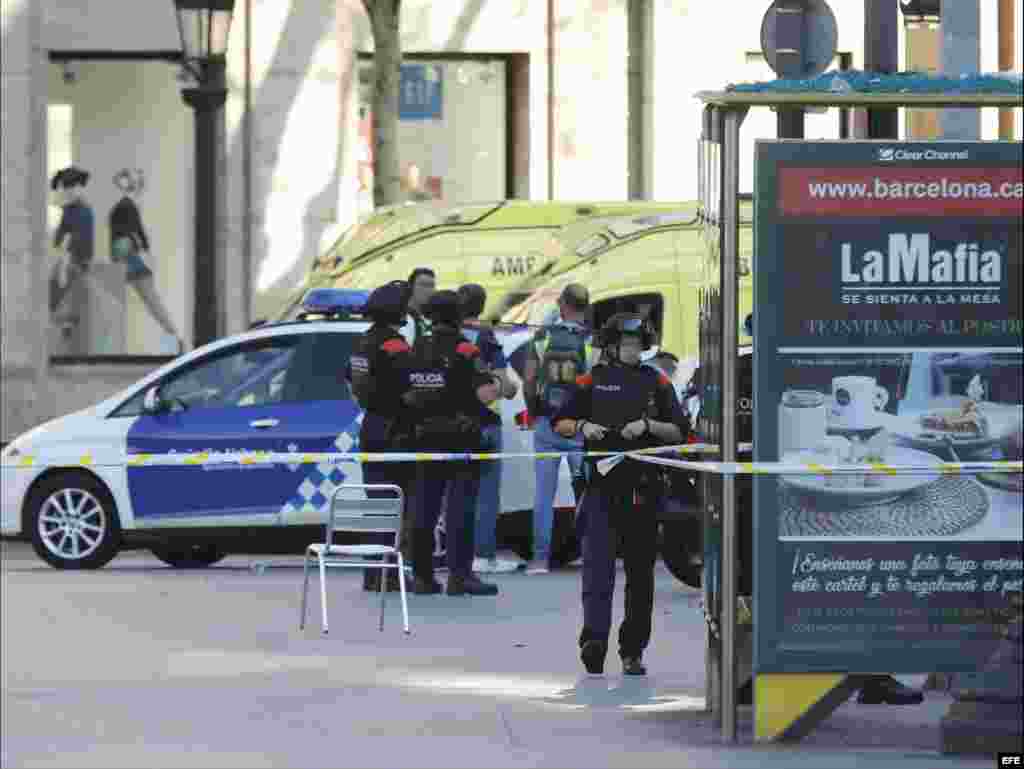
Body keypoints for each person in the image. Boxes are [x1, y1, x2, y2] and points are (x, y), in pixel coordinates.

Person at [552, 313, 689, 676]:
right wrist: (584, 426)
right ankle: (593, 643)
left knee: (641, 577)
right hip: (600, 489)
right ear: (612, 346)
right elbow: (560, 423)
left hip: (644, 490)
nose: (633, 350)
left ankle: (633, 651)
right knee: (597, 573)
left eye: (637, 345)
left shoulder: (656, 381)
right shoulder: (590, 380)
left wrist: (647, 426)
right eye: (626, 344)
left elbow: (679, 431)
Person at [406, 290, 502, 596]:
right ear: (457, 316)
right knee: (460, 510)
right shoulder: (465, 349)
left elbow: (406, 391)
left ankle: (422, 577)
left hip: (423, 437)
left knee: (423, 510)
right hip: (460, 439)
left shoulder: (417, 347)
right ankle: (460, 577)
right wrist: (497, 384)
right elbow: (486, 393)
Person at [348, 280, 416, 593]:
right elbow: (413, 387)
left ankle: (372, 573)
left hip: (371, 426)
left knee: (375, 504)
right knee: (398, 505)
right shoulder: (395, 345)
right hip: (397, 430)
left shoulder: (362, 342)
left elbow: (352, 383)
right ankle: (391, 574)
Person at [522, 283, 594, 574]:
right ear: (585, 306)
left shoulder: (542, 336)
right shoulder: (590, 340)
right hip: (578, 426)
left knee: (543, 494)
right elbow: (595, 383)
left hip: (547, 425)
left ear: (562, 304)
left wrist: (537, 410)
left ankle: (540, 559)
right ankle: (590, 554)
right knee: (588, 492)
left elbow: (528, 380)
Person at [457, 283, 520, 575]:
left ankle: (456, 554)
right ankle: (483, 555)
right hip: (484, 423)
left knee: (455, 492)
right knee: (486, 493)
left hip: (452, 424)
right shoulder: (485, 337)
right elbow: (505, 385)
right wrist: (508, 386)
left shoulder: (445, 335)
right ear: (481, 307)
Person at [108, 168, 185, 354]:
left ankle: (173, 339)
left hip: (129, 260)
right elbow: (137, 234)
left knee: (148, 301)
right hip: (129, 259)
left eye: (129, 179)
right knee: (147, 302)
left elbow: (134, 234)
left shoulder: (126, 206)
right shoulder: (129, 205)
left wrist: (139, 253)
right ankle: (173, 339)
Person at [49, 166, 95, 319]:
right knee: (57, 296)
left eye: (72, 187)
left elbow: (74, 240)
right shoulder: (70, 209)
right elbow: (62, 235)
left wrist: (63, 264)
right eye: (66, 188)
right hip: (70, 259)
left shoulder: (82, 210)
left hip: (76, 261)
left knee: (58, 296)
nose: (69, 192)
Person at [404, 267, 436, 344]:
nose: (428, 290)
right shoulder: (402, 318)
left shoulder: (434, 317)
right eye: (423, 285)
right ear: (410, 287)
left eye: (431, 286)